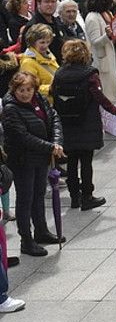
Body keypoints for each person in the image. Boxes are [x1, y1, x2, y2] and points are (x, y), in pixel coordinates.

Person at [51, 39, 116, 211]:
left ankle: (74, 197)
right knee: (86, 161)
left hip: (67, 123)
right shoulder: (90, 74)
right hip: (87, 122)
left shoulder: (59, 74)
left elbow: (53, 96)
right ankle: (87, 196)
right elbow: (100, 98)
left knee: (71, 161)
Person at [2, 72, 64, 256]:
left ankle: (41, 231)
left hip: (41, 157)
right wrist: (50, 146)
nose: (26, 93)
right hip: (23, 160)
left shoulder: (39, 99)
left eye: (29, 89)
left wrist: (57, 142)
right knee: (25, 199)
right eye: (21, 90)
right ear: (14, 90)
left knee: (39, 194)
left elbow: (54, 119)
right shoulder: (11, 109)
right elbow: (23, 137)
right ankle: (26, 241)